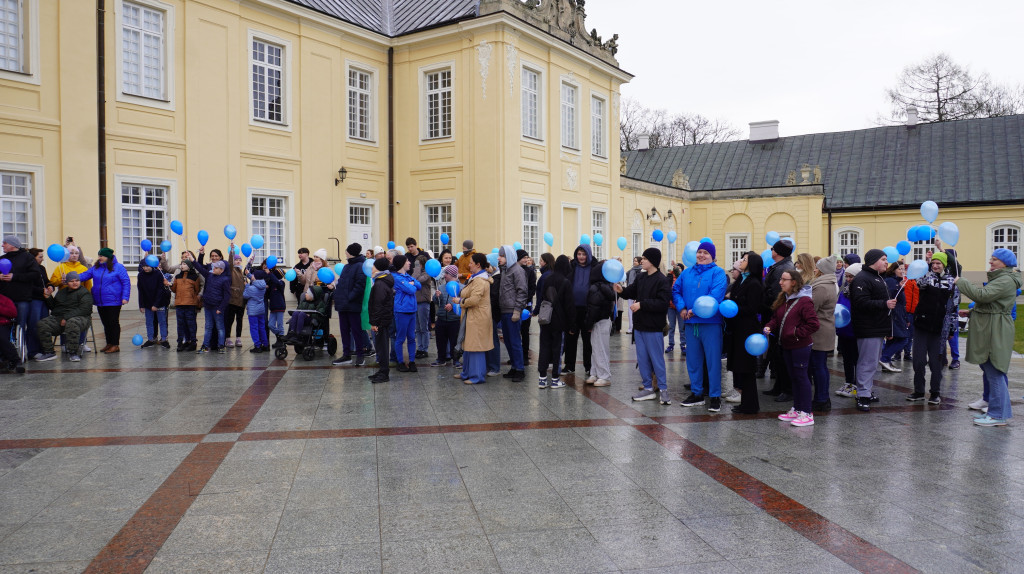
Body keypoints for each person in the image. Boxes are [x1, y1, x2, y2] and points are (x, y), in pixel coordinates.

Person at [956, 249, 1022, 426]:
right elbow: (993, 304)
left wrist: (962, 282)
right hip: (992, 326)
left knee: (995, 371)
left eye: (995, 260)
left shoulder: (1005, 280)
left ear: (1005, 263)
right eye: (991, 259)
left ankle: (998, 415)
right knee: (991, 369)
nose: (991, 262)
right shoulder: (1003, 279)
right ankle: (998, 412)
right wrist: (971, 312)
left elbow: (982, 296)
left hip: (996, 329)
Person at [614, 248, 672, 404]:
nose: (642, 261)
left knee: (657, 359)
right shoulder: (640, 277)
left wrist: (642, 305)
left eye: (645, 259)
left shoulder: (662, 280)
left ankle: (663, 389)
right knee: (643, 359)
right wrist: (621, 290)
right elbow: (631, 292)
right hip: (639, 327)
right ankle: (648, 388)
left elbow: (662, 303)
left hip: (653, 327)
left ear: (652, 261)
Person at [676, 242, 729, 412]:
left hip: (711, 323)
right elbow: (676, 291)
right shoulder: (686, 273)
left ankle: (714, 396)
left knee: (713, 361)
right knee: (693, 360)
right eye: (699, 252)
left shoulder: (718, 272)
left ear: (712, 256)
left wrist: (695, 310)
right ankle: (697, 393)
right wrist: (682, 308)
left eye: (705, 252)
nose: (701, 255)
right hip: (691, 323)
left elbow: (716, 294)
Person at [764, 269, 820, 426]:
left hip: (800, 345)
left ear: (794, 282)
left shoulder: (804, 301)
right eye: (781, 279)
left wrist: (795, 332)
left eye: (784, 279)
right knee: (794, 377)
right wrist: (769, 326)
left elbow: (814, 324)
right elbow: (776, 318)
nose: (780, 282)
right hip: (787, 345)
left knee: (801, 377)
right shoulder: (785, 298)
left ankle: (807, 413)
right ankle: (798, 408)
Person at [849, 249, 896, 411]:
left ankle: (866, 391)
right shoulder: (862, 278)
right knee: (867, 362)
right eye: (883, 259)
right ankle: (862, 394)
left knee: (872, 362)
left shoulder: (877, 277)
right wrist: (884, 304)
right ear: (873, 261)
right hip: (868, 327)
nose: (886, 262)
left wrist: (888, 329)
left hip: (877, 327)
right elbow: (860, 303)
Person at [908, 252, 955, 404]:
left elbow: (953, 307)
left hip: (940, 329)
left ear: (944, 265)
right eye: (933, 263)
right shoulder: (927, 278)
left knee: (936, 363)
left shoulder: (952, 281)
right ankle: (919, 391)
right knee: (919, 361)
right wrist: (926, 269)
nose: (935, 266)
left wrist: (952, 329)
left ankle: (935, 392)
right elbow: (919, 283)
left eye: (938, 263)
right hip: (922, 325)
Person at [725, 252, 764, 414]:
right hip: (737, 327)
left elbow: (752, 308)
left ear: (751, 264)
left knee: (747, 367)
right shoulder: (741, 279)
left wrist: (733, 307)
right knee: (740, 366)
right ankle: (745, 402)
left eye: (745, 259)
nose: (741, 261)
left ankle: (750, 404)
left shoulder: (754, 283)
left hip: (747, 329)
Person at [77, 247, 130, 353]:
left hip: (113, 300)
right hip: (100, 301)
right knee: (105, 323)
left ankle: (115, 344)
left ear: (108, 257)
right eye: (99, 255)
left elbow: (126, 282)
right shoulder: (96, 268)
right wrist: (72, 278)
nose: (99, 258)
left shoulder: (118, 267)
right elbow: (85, 275)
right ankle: (109, 343)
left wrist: (125, 297)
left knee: (113, 323)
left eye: (102, 256)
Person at [33, 271, 93, 362]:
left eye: (77, 280)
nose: (75, 283)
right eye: (71, 281)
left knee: (72, 322)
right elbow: (55, 307)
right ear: (67, 282)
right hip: (60, 317)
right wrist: (48, 297)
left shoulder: (84, 292)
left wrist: (66, 317)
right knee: (42, 324)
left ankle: (73, 352)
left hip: (82, 317)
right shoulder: (62, 292)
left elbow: (85, 309)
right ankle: (49, 352)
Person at [452, 253, 494, 384]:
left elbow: (475, 300)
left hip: (478, 317)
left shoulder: (480, 281)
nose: (468, 265)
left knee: (476, 347)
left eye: (471, 263)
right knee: (469, 345)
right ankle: (467, 372)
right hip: (472, 316)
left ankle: (477, 376)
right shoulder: (475, 278)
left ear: (478, 265)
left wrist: (460, 300)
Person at [762, 239, 795, 400]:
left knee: (781, 355)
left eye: (773, 248)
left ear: (778, 252)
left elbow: (775, 294)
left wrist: (764, 305)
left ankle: (786, 389)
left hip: (777, 314)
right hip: (775, 314)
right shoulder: (779, 267)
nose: (771, 250)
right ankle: (779, 387)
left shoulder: (783, 269)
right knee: (776, 353)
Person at [0, 236, 43, 358]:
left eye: (5, 243)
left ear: (12, 245)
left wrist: (15, 277)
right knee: (4, 326)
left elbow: (35, 274)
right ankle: (6, 352)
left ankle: (25, 352)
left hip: (22, 298)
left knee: (21, 324)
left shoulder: (27, 257)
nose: (2, 245)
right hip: (4, 300)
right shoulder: (2, 259)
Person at [536, 254, 575, 389]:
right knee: (557, 349)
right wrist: (571, 325)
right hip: (559, 322)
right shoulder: (565, 281)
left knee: (544, 348)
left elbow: (541, 297)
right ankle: (554, 379)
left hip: (546, 319)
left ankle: (542, 379)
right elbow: (569, 306)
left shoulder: (547, 278)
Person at [809, 255, 838, 412]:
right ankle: (822, 397)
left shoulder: (821, 287)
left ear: (822, 271)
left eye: (817, 268)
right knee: (820, 366)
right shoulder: (828, 283)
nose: (814, 270)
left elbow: (811, 308)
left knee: (818, 366)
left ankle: (821, 399)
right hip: (824, 328)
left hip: (819, 330)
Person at [332, 243, 367, 366]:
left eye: (346, 250)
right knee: (344, 330)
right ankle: (346, 355)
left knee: (356, 331)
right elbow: (342, 282)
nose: (345, 252)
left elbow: (360, 286)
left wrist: (349, 297)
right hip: (343, 304)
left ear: (351, 252)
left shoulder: (360, 266)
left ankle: (360, 355)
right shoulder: (347, 267)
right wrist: (337, 294)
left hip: (352, 305)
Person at [564, 243, 596, 375]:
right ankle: (569, 365)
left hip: (588, 309)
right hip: (573, 309)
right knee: (570, 338)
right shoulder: (571, 267)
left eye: (583, 254)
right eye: (579, 254)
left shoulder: (595, 268)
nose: (581, 257)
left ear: (588, 255)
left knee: (588, 339)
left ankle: (589, 366)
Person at [498, 245, 528, 381]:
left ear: (508, 256)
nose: (499, 258)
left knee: (515, 341)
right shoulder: (505, 270)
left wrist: (517, 310)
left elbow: (522, 291)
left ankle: (520, 369)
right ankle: (514, 367)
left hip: (512, 311)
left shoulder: (518, 271)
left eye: (502, 256)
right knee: (508, 341)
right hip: (504, 311)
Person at [585, 261, 617, 387]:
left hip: (598, 321)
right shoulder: (608, 287)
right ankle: (595, 372)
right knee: (598, 348)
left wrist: (588, 324)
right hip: (604, 320)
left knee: (599, 349)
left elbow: (592, 308)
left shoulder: (595, 288)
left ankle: (604, 375)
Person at [877, 262, 911, 373]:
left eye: (904, 269)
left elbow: (902, 302)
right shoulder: (891, 281)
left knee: (894, 339)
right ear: (894, 270)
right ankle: (884, 358)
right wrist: (899, 288)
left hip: (899, 314)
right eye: (900, 269)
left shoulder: (898, 281)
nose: (902, 271)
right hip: (894, 315)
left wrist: (906, 319)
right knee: (903, 339)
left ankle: (886, 362)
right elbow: (889, 295)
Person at [835, 263, 862, 399]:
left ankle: (858, 384)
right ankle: (849, 382)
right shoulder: (844, 290)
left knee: (857, 358)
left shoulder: (861, 290)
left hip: (856, 330)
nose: (849, 279)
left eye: (852, 276)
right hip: (844, 330)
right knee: (847, 359)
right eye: (847, 276)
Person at [391, 254, 421, 372]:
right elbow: (412, 289)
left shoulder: (407, 276)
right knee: (400, 338)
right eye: (407, 261)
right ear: (402, 263)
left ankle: (412, 361)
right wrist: (412, 284)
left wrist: (412, 284)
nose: (409, 263)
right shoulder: (397, 278)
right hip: (402, 311)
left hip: (412, 310)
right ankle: (400, 362)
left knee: (412, 338)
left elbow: (418, 285)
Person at [194, 260, 232, 353]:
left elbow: (227, 296)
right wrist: (193, 260)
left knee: (220, 328)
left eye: (216, 268)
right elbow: (200, 268)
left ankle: (221, 346)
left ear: (221, 270)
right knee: (208, 327)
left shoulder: (225, 280)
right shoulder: (209, 276)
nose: (213, 269)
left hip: (217, 307)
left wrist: (221, 308)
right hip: (208, 306)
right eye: (213, 267)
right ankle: (205, 346)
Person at [367, 258, 394, 383]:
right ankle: (382, 370)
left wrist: (375, 323)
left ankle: (384, 373)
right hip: (383, 319)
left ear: (378, 268)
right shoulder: (381, 281)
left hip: (381, 321)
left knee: (382, 346)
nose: (371, 268)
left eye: (373, 266)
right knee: (381, 345)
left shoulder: (380, 284)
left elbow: (378, 305)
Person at [406, 238, 432, 359]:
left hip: (423, 302)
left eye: (417, 264)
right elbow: (412, 278)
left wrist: (416, 269)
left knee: (423, 327)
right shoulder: (417, 272)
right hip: (415, 302)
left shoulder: (426, 274)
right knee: (417, 327)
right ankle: (419, 347)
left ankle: (424, 348)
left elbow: (417, 280)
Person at [136, 260, 171, 349]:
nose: (145, 268)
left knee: (162, 321)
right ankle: (150, 339)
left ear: (152, 266)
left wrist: (156, 304)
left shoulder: (158, 274)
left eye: (148, 266)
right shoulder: (140, 275)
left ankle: (164, 339)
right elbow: (140, 291)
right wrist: (141, 305)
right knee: (149, 322)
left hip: (159, 302)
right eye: (144, 266)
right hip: (148, 303)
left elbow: (160, 290)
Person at [431, 265, 461, 366]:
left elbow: (462, 301)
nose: (444, 276)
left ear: (452, 274)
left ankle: (456, 360)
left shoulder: (461, 287)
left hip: (455, 319)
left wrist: (452, 305)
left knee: (454, 342)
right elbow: (437, 303)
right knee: (440, 341)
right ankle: (441, 359)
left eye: (446, 273)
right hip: (441, 318)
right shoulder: (441, 287)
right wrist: (436, 296)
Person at [170, 259, 201, 351]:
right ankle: (180, 342)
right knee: (180, 324)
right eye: (181, 264)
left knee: (190, 324)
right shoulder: (178, 276)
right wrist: (169, 285)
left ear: (189, 266)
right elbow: (174, 289)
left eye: (184, 264)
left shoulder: (194, 277)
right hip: (179, 304)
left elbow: (196, 289)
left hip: (190, 304)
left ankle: (193, 342)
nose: (182, 266)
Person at [242, 270, 269, 353]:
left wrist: (246, 286)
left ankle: (257, 346)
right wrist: (248, 274)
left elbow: (245, 295)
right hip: (261, 310)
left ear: (255, 277)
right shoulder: (263, 285)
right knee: (262, 327)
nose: (252, 276)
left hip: (253, 311)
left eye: (253, 275)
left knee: (254, 328)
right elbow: (255, 281)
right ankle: (265, 345)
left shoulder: (251, 288)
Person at [518, 250, 536, 364]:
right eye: (523, 258)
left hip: (526, 305)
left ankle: (525, 356)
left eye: (527, 257)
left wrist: (525, 300)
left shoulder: (530, 271)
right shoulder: (513, 270)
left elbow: (532, 288)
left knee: (525, 331)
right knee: (515, 331)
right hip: (514, 304)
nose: (525, 260)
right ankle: (516, 355)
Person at [263, 260, 287, 347]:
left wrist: (270, 273)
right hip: (273, 307)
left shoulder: (281, 283)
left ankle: (281, 341)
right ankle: (281, 336)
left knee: (280, 324)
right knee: (270, 325)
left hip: (280, 307)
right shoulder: (272, 284)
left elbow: (277, 282)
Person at [0, 291, 23, 373]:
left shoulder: (5, 300)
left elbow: (13, 313)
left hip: (2, 324)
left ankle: (15, 360)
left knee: (1, 337)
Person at [665, 265, 685, 353]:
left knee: (682, 327)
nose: (678, 270)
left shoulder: (683, 278)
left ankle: (683, 345)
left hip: (680, 307)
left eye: (679, 268)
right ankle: (671, 344)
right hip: (670, 306)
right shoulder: (669, 278)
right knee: (671, 327)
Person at [624, 256, 642, 334]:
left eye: (635, 261)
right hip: (630, 292)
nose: (634, 262)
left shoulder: (641, 271)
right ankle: (631, 327)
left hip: (637, 293)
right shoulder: (631, 270)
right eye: (633, 261)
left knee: (637, 311)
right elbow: (624, 276)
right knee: (630, 310)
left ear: (639, 262)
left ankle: (636, 327)